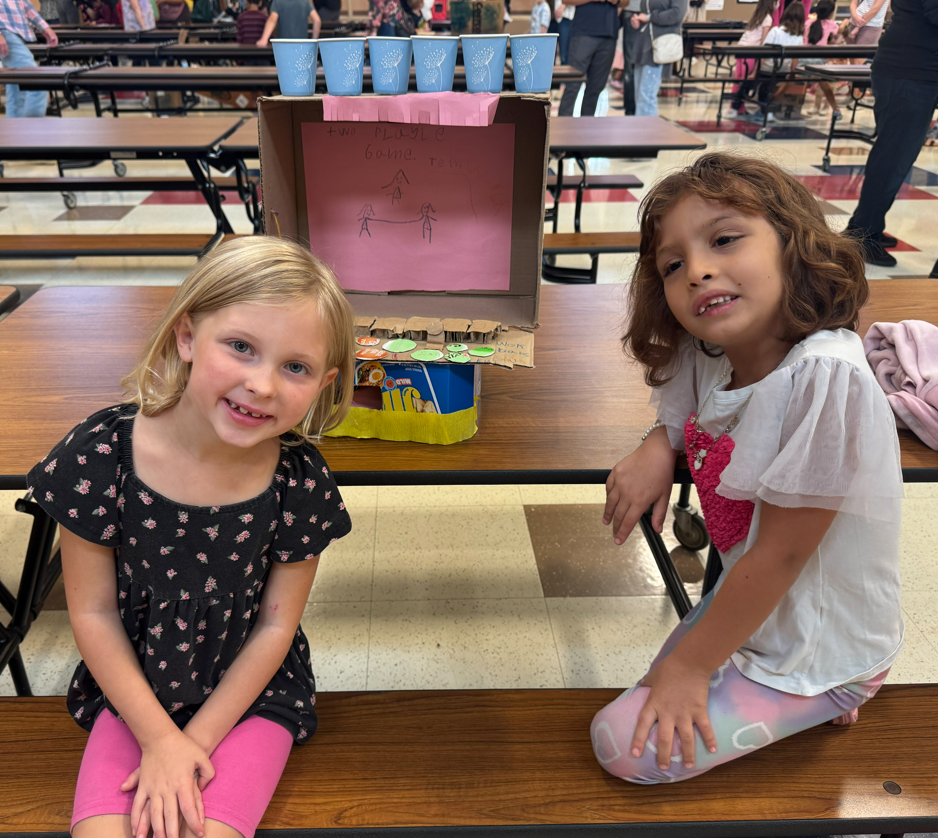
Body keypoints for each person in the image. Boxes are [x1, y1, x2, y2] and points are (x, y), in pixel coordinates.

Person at [23, 236, 357, 838]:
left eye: (296, 367)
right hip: (134, 688)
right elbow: (94, 614)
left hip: (248, 697)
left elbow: (277, 626)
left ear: (325, 383)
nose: (262, 385)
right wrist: (157, 738)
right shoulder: (101, 455)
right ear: (186, 337)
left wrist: (190, 745)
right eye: (240, 347)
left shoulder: (298, 481)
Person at [591, 152, 903, 784]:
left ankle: (843, 686)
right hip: (762, 613)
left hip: (817, 639)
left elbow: (780, 557)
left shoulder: (825, 377)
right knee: (647, 704)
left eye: (725, 239)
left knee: (622, 746)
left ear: (795, 243)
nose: (698, 271)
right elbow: (681, 399)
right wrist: (659, 444)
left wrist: (689, 668)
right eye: (673, 265)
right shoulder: (714, 349)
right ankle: (788, 688)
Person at [844, 0, 938, 269]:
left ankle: (867, 225)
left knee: (896, 155)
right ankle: (862, 235)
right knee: (893, 156)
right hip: (909, 72)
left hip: (914, 70)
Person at [557, 0, 620, 118]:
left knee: (596, 88)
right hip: (583, 32)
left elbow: (625, 2)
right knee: (573, 85)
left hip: (608, 34)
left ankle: (586, 126)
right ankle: (562, 125)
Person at [0, 0, 58, 118]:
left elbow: (25, 5)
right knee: (37, 83)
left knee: (17, 89)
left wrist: (45, 28)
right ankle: (33, 131)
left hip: (17, 35)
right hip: (5, 32)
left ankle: (15, 131)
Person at [628, 0, 686, 117]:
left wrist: (650, 17)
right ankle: (641, 129)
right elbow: (646, 12)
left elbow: (677, 14)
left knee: (647, 95)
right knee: (639, 94)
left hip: (660, 45)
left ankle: (648, 133)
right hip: (644, 43)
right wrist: (638, 21)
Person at [726, 0, 775, 117]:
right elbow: (764, 41)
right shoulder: (768, 18)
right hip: (751, 51)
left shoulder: (756, 16)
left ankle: (737, 107)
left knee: (738, 80)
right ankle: (735, 108)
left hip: (742, 48)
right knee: (745, 81)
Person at [800, 0, 840, 118]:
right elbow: (836, 40)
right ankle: (835, 109)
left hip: (802, 60)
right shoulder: (832, 25)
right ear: (831, 13)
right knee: (826, 84)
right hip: (819, 62)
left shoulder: (808, 23)